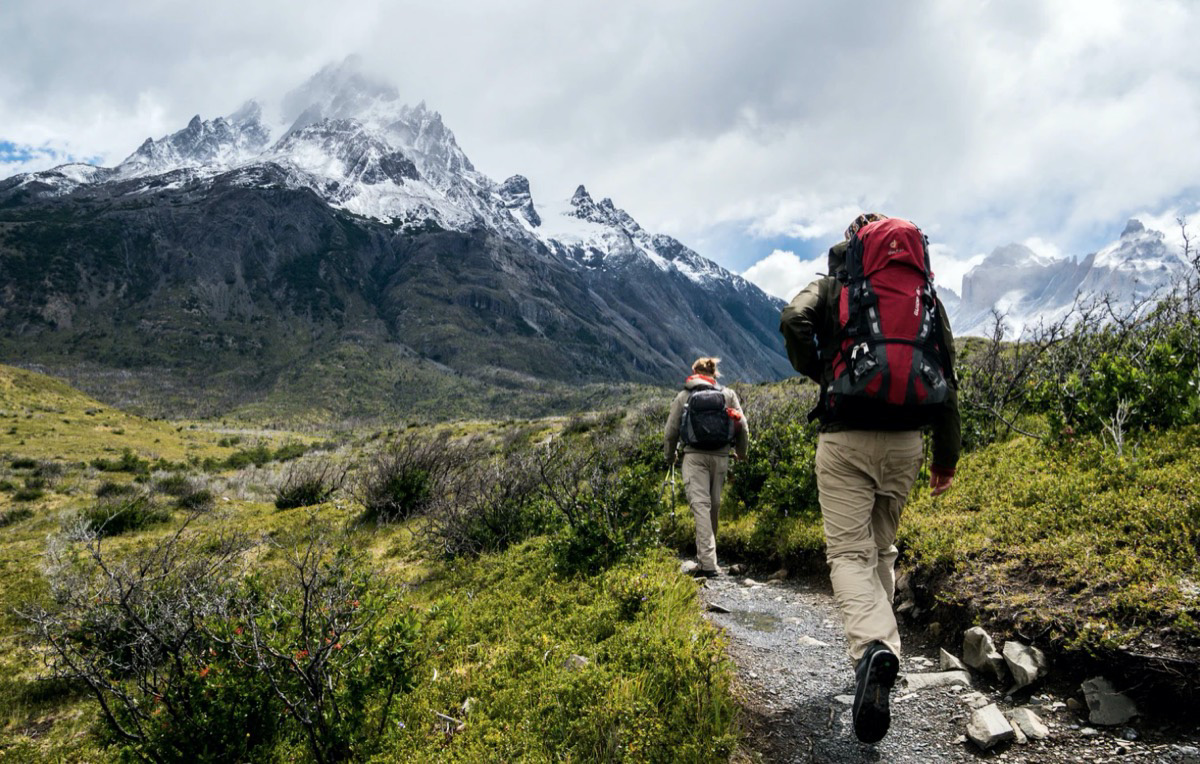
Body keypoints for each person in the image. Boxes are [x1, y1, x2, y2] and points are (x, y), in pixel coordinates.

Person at [780, 213, 960, 743]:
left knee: (848, 555)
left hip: (846, 438)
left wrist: (822, 370)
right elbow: (947, 371)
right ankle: (880, 655)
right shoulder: (923, 294)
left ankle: (873, 650)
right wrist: (945, 459)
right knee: (882, 550)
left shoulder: (837, 285)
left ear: (854, 244)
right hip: (907, 442)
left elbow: (793, 319)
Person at [664, 357, 749, 578]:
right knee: (714, 505)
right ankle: (709, 557)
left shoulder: (684, 395)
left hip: (694, 457)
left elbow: (671, 431)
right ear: (714, 374)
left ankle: (708, 564)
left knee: (700, 506)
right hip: (721, 457)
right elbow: (743, 426)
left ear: (694, 372)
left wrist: (670, 456)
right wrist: (741, 453)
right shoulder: (727, 394)